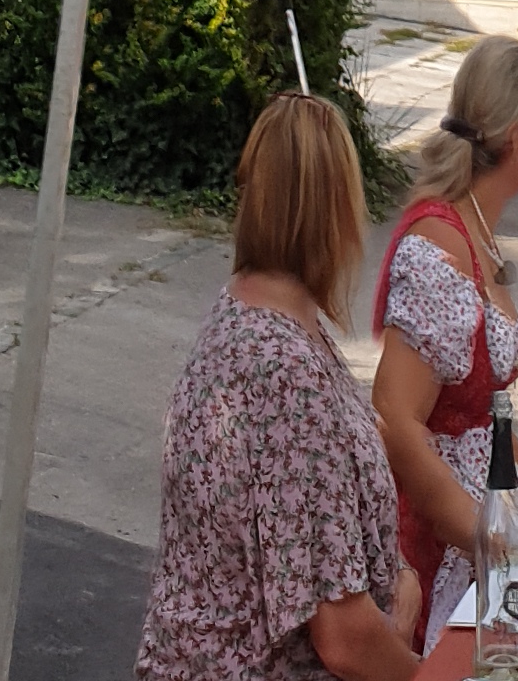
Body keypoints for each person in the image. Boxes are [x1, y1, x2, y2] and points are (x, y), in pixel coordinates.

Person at [139, 92, 415, 681]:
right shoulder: (285, 371)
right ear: (336, 213)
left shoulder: (251, 311)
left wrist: (399, 574)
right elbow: (343, 638)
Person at [363, 35, 518, 622]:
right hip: (447, 545)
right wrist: (487, 539)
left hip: (488, 511)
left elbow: (484, 419)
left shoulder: (474, 232)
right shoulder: (439, 245)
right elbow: (396, 419)